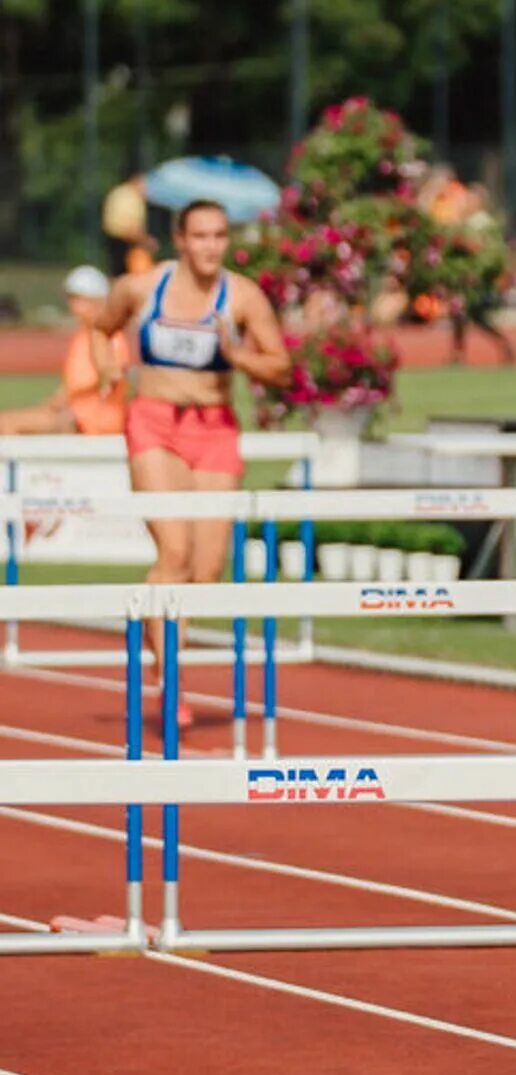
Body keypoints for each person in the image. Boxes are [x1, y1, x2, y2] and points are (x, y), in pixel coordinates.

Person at [91, 200, 292, 712]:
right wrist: (108, 369)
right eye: (200, 236)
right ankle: (170, 679)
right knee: (174, 553)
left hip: (214, 430)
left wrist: (239, 355)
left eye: (220, 236)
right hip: (154, 423)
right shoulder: (143, 287)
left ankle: (154, 624)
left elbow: (282, 368)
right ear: (180, 239)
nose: (210, 246)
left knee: (205, 570)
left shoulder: (241, 295)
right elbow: (100, 326)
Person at [0, 266, 128, 437]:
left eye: (77, 299)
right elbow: (71, 384)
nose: (72, 306)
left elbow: (107, 378)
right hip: (75, 412)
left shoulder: (111, 337)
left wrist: (62, 403)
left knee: (9, 424)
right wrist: (53, 402)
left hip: (93, 420)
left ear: (97, 301)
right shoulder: (82, 336)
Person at [102, 173, 156, 277]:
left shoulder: (116, 192)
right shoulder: (132, 197)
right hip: (127, 244)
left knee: (116, 276)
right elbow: (131, 229)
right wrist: (147, 242)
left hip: (112, 241)